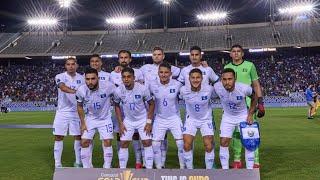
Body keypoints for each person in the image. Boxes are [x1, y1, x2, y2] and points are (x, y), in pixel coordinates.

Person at [224, 44, 265, 168]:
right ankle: (237, 160)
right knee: (236, 133)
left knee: (251, 132)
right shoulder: (227, 67)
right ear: (230, 54)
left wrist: (261, 102)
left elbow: (256, 84)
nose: (236, 53)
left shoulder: (250, 65)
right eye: (233, 51)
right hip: (233, 105)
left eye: (238, 51)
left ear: (242, 54)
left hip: (249, 104)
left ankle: (256, 161)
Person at [140, 47, 180, 168]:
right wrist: (118, 69)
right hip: (148, 105)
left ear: (163, 56)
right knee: (146, 134)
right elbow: (132, 74)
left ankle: (161, 162)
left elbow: (186, 73)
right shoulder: (144, 68)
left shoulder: (173, 69)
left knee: (162, 136)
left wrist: (203, 66)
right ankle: (146, 161)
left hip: (162, 107)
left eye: (159, 54)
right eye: (154, 54)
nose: (156, 56)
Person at [213, 68, 258, 169]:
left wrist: (250, 114)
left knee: (248, 143)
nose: (227, 82)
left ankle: (250, 171)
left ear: (235, 78)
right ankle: (225, 170)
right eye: (224, 79)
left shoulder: (244, 88)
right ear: (221, 79)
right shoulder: (217, 87)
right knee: (224, 141)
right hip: (227, 117)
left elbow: (254, 97)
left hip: (243, 116)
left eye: (230, 79)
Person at [114, 67, 155, 169]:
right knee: (123, 143)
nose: (126, 79)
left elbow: (151, 104)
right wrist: (120, 123)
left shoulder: (142, 88)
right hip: (128, 120)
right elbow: (116, 105)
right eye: (124, 77)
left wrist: (149, 122)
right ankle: (122, 170)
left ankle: (149, 169)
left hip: (142, 119)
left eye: (129, 77)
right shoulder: (118, 90)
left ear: (133, 77)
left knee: (147, 142)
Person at [110, 50, 145, 168]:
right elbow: (114, 91)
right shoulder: (113, 74)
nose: (123, 59)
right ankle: (121, 163)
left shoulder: (138, 72)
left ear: (130, 59)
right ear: (118, 59)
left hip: (134, 110)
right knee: (120, 135)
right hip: (120, 109)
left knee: (136, 135)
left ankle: (138, 161)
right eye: (121, 57)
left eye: (126, 57)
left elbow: (140, 87)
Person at [76, 68, 115, 168]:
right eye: (87, 79)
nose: (90, 82)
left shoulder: (108, 86)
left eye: (93, 79)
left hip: (105, 119)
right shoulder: (81, 90)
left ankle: (107, 168)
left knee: (107, 141)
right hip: (90, 119)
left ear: (98, 78)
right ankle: (86, 168)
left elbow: (119, 94)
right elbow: (79, 106)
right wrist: (83, 123)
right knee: (84, 142)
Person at [149, 62, 184, 169]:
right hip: (159, 118)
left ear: (170, 73)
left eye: (166, 72)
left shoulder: (177, 84)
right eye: (161, 72)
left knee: (181, 144)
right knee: (155, 145)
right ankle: (159, 168)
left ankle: (183, 168)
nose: (163, 75)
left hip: (174, 118)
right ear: (158, 73)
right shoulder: (152, 85)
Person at [179, 68, 215, 169]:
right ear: (189, 79)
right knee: (186, 145)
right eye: (193, 78)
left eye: (198, 77)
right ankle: (190, 171)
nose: (195, 80)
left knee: (208, 145)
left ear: (202, 78)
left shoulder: (209, 89)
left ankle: (209, 171)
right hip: (191, 120)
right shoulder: (183, 90)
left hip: (206, 120)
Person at [53, 57, 84, 168]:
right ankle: (57, 163)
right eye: (68, 64)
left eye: (73, 64)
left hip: (76, 112)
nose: (71, 66)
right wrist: (77, 92)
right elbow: (63, 88)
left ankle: (78, 162)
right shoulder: (60, 76)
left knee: (78, 136)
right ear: (65, 66)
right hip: (62, 112)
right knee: (58, 136)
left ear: (77, 65)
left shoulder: (82, 78)